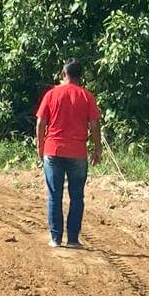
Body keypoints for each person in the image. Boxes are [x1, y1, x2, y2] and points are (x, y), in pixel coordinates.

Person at [36, 59, 102, 248]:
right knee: (77, 196)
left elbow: (41, 123)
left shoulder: (51, 94)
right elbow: (94, 125)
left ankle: (56, 238)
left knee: (54, 195)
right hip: (77, 152)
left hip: (53, 150)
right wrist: (97, 149)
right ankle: (73, 239)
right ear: (80, 76)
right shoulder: (86, 96)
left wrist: (40, 146)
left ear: (63, 74)